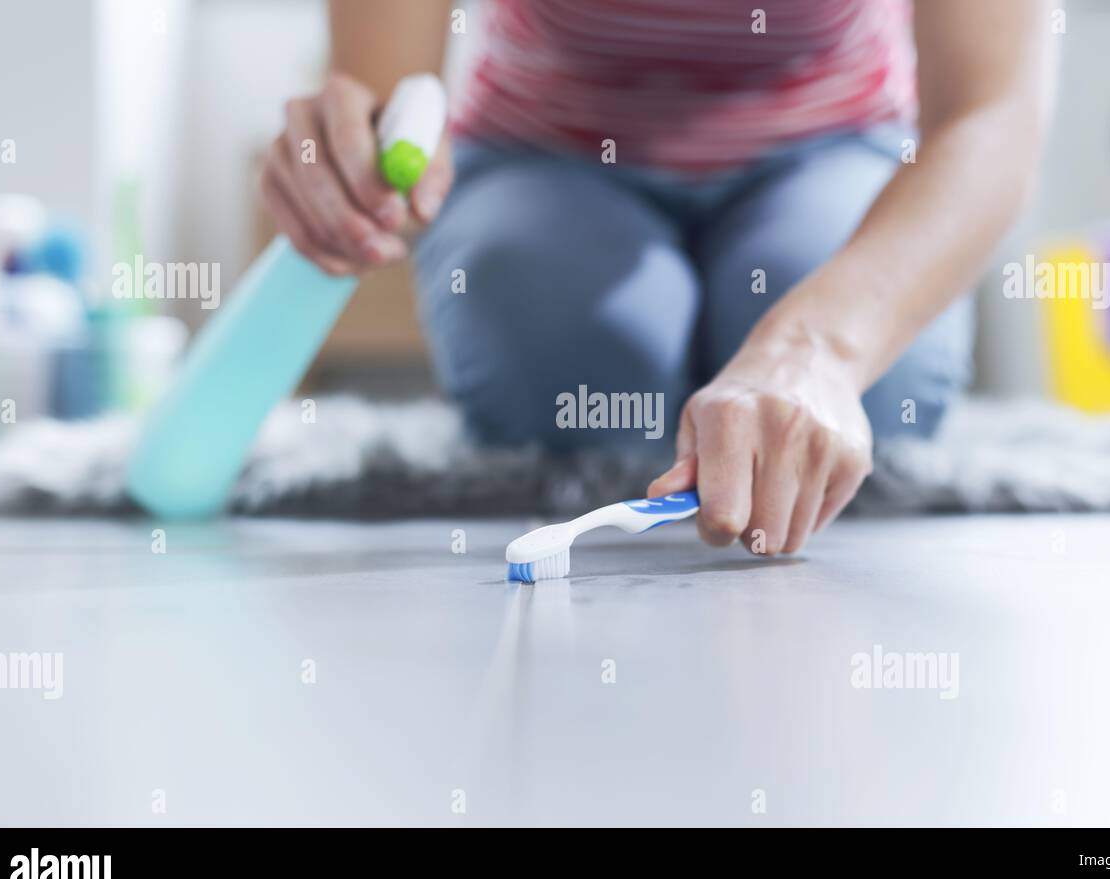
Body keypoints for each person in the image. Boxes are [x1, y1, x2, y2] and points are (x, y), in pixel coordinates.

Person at [260, 0, 1053, 555]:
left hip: (832, 146)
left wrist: (818, 348)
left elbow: (992, 114)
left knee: (869, 401)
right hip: (547, 151)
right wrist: (351, 152)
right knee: (579, 378)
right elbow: (389, 94)